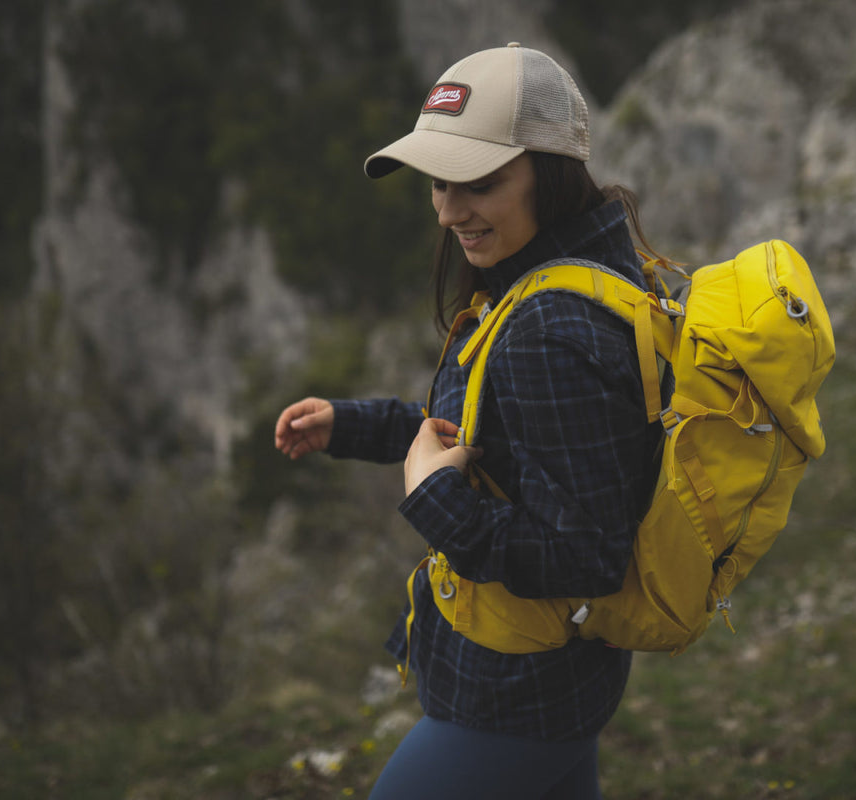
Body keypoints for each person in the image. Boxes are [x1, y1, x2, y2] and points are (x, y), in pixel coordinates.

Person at [274, 43, 664, 799]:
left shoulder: (549, 327)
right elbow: (494, 437)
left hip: (512, 699)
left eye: (480, 183)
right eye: (438, 183)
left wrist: (433, 498)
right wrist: (355, 426)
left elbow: (587, 555)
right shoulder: (569, 272)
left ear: (548, 174)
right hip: (557, 684)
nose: (451, 211)